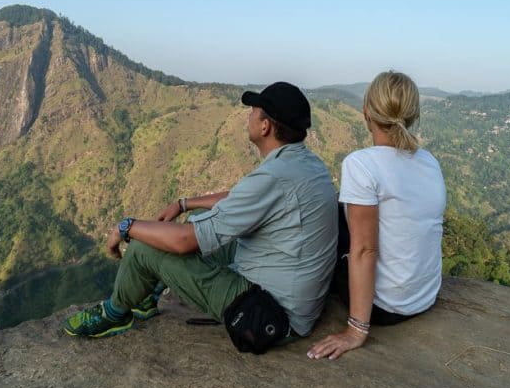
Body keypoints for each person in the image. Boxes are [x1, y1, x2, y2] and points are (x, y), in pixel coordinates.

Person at [63, 81, 338, 347]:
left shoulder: (275, 176)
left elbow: (185, 241)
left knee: (146, 246)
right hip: (294, 295)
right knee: (193, 226)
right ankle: (146, 293)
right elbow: (241, 199)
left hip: (271, 314)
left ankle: (115, 313)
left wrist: (126, 227)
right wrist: (185, 204)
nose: (248, 117)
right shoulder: (305, 164)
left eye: (253, 112)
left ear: (265, 126)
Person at [308, 71, 446, 360]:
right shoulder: (429, 161)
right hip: (424, 297)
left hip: (386, 306)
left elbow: (364, 250)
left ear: (366, 113)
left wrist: (356, 331)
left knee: (320, 215)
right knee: (341, 206)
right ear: (413, 115)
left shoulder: (361, 164)